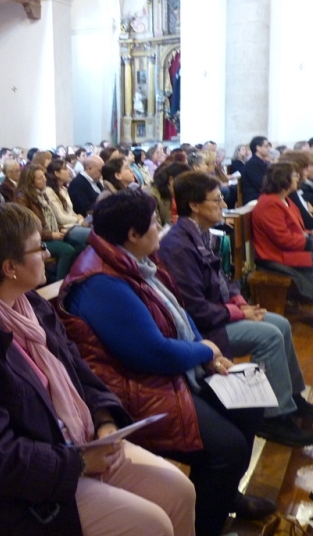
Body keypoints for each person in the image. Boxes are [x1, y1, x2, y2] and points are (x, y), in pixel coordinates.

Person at [0, 203, 196, 536]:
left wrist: (106, 422)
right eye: (38, 248)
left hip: (74, 446)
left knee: (179, 491)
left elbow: (79, 374)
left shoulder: (30, 305)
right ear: (10, 268)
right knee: (150, 524)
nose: (48, 254)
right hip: (15, 494)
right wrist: (76, 463)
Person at [59, 190, 275, 536]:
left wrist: (208, 356)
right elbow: (150, 353)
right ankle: (204, 526)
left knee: (249, 404)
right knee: (227, 448)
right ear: (132, 234)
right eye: (155, 223)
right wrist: (204, 352)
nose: (161, 228)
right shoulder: (101, 283)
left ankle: (224, 495)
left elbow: (178, 314)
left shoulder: (136, 261)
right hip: (136, 389)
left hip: (171, 373)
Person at [159, 172, 313, 447]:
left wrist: (240, 302)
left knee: (281, 324)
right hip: (204, 330)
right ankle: (272, 416)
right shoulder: (178, 245)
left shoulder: (201, 234)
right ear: (194, 205)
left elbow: (223, 279)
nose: (222, 204)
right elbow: (194, 308)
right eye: (216, 200)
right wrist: (240, 313)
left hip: (218, 313)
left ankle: (293, 397)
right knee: (269, 335)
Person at [251, 162, 313, 301]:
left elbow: (298, 230)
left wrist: (308, 236)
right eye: (295, 175)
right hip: (276, 257)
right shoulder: (269, 203)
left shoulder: (284, 200)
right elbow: (283, 239)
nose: (298, 178)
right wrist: (309, 243)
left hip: (290, 251)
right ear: (284, 178)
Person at [15, 164, 81, 281]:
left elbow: (51, 219)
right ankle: (60, 285)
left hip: (50, 233)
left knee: (79, 245)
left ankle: (75, 278)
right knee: (67, 250)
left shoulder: (41, 194)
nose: (45, 179)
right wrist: (50, 234)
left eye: (44, 176)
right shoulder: (22, 198)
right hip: (36, 239)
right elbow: (27, 228)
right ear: (31, 181)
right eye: (40, 178)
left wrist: (60, 229)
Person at [146, 162, 191, 227]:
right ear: (171, 179)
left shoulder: (168, 193)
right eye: (184, 184)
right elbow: (156, 228)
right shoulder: (151, 196)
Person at [241, 136, 272, 203]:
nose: (269, 149)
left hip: (263, 194)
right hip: (255, 197)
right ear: (258, 148)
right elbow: (261, 185)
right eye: (266, 146)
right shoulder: (252, 164)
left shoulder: (262, 162)